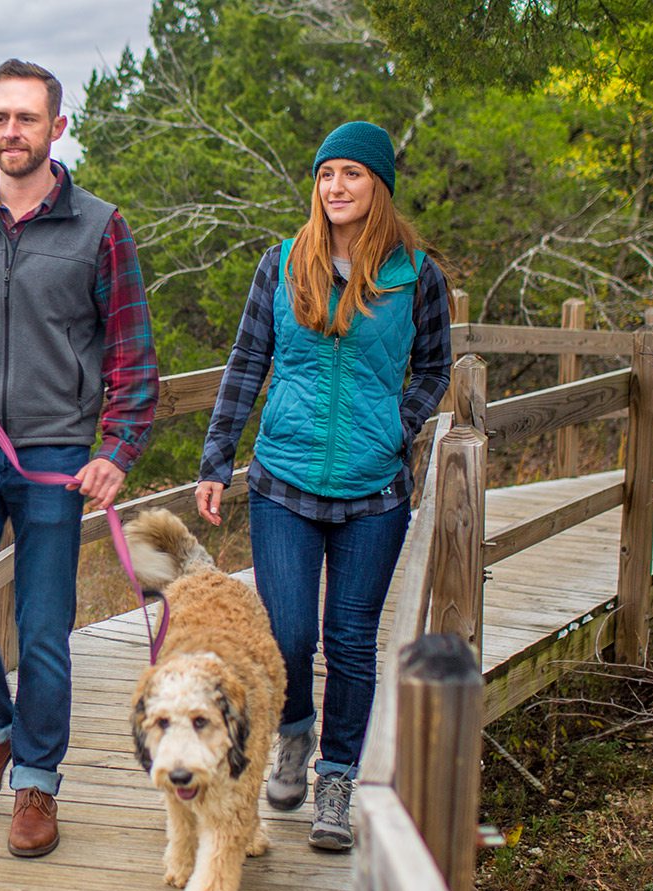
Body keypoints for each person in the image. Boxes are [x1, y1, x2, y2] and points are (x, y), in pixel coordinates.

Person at [0, 58, 159, 858]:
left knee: (45, 627)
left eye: (24, 118)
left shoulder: (100, 226)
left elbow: (132, 356)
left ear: (57, 127)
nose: (9, 132)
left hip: (54, 451)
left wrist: (116, 450)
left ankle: (38, 785)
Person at [194, 120, 451, 852]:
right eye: (326, 174)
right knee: (288, 632)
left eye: (353, 175)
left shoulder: (416, 275)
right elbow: (247, 361)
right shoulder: (281, 263)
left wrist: (396, 427)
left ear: (380, 187)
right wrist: (217, 458)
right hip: (286, 479)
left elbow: (434, 368)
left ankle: (337, 781)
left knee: (349, 640)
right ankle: (295, 735)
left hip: (374, 491)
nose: (336, 187)